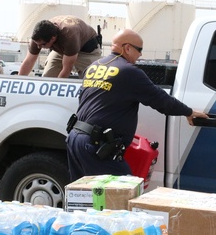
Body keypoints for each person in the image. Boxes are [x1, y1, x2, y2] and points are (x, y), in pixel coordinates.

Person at [67, 28, 208, 180]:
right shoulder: (128, 72)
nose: (140, 54)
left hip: (75, 139)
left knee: (83, 195)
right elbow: (161, 100)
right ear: (127, 48)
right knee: (121, 192)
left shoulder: (94, 66)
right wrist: (189, 112)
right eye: (139, 49)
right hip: (96, 145)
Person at [18, 15, 101, 78]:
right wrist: (18, 82)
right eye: (37, 44)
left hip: (86, 51)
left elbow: (67, 69)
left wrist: (56, 88)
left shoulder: (69, 35)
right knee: (48, 78)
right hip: (61, 50)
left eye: (43, 45)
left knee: (92, 82)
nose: (39, 47)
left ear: (53, 39)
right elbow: (28, 62)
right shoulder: (39, 37)